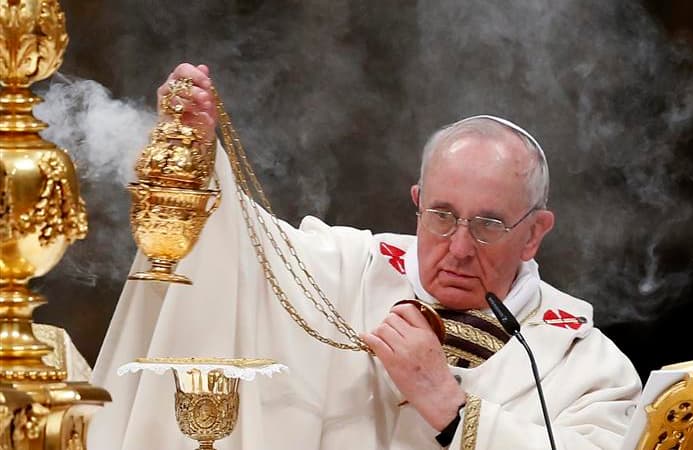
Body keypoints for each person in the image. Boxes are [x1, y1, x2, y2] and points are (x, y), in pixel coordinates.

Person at [88, 63, 642, 450]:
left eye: (489, 225)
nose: (458, 247)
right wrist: (198, 158)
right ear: (418, 205)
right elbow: (241, 252)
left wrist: (451, 409)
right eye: (442, 216)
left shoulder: (588, 366)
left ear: (534, 233)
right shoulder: (352, 268)